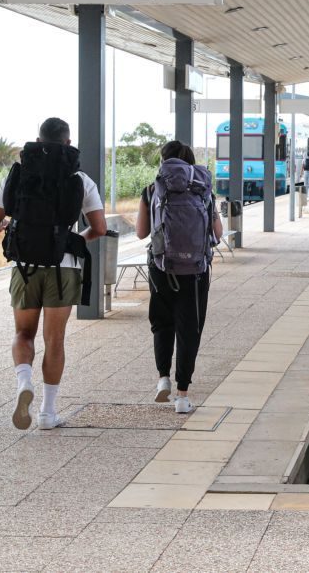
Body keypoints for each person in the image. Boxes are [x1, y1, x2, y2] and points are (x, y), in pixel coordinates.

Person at [0, 117, 107, 430]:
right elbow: (100, 228)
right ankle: (48, 413)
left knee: (23, 334)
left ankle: (24, 382)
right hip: (63, 267)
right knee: (55, 341)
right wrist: (73, 239)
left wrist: (9, 226)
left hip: (25, 267)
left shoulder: (19, 173)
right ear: (68, 142)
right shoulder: (80, 178)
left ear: (38, 140)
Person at [136, 141, 222, 413]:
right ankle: (183, 395)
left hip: (161, 268)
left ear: (163, 162)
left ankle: (163, 378)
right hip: (195, 272)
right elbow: (217, 234)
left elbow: (140, 232)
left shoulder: (152, 190)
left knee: (162, 324)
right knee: (189, 330)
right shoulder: (203, 188)